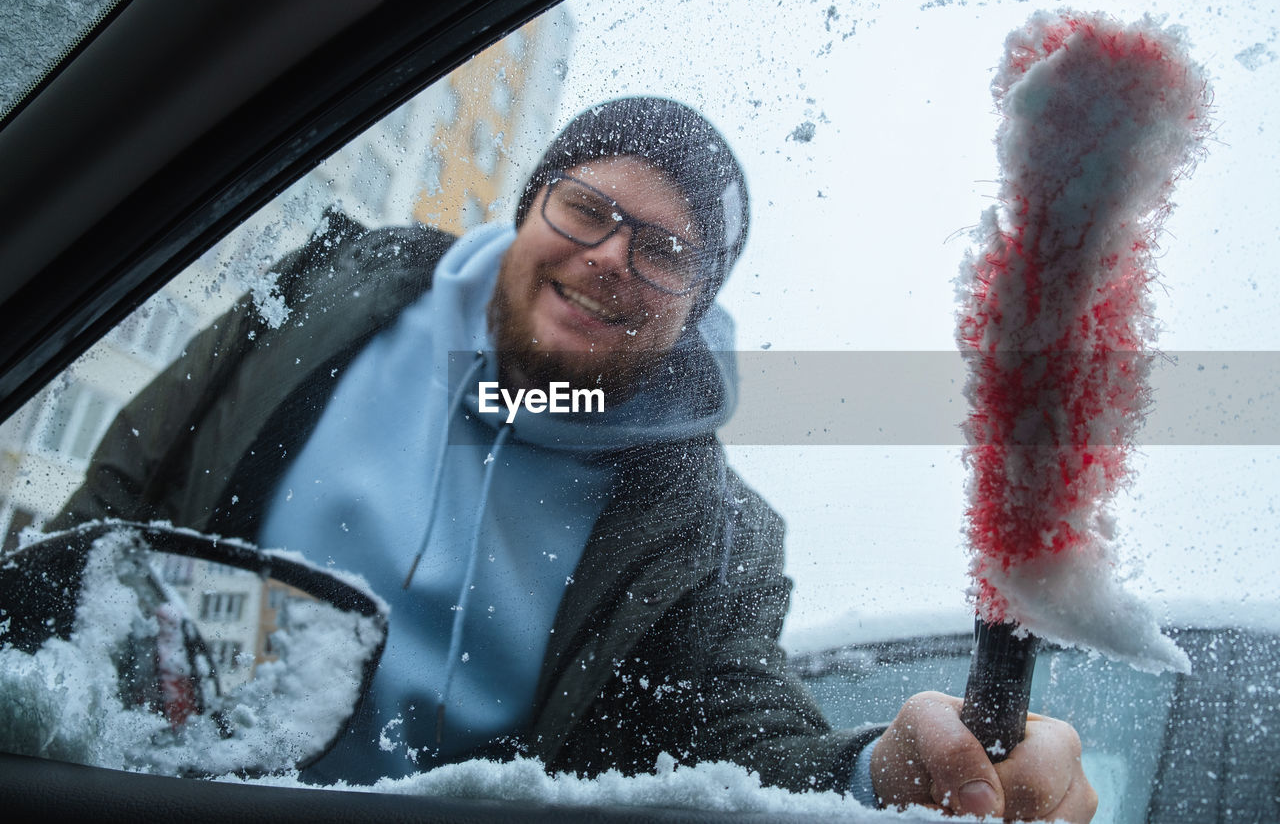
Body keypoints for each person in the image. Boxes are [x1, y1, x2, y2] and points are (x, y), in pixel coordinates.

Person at [54, 96, 1095, 819]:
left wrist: (874, 772)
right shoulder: (328, 297)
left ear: (695, 307)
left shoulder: (711, 531)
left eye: (665, 250)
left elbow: (739, 731)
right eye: (587, 208)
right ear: (527, 211)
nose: (610, 256)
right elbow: (116, 499)